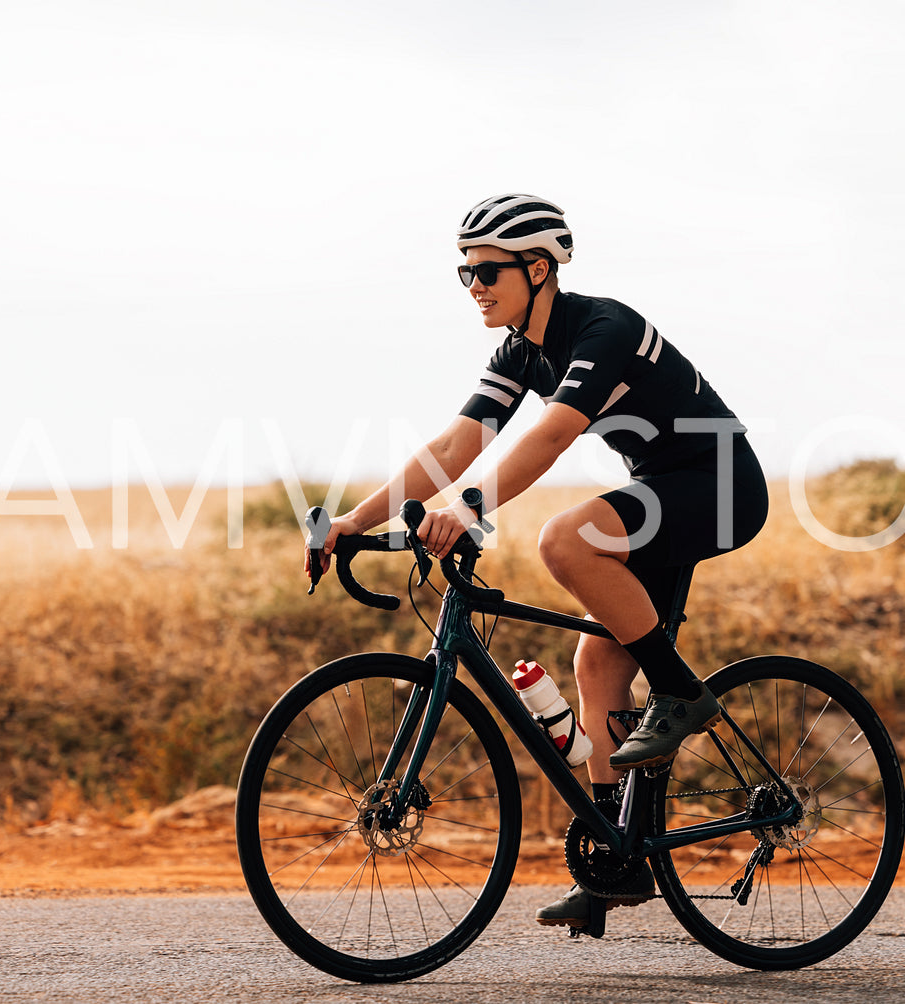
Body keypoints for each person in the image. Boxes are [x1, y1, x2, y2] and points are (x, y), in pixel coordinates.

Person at [309, 194, 769, 926]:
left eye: (488, 270)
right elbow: (457, 446)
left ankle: (681, 694)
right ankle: (619, 862)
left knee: (564, 538)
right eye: (465, 274)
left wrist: (469, 507)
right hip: (662, 488)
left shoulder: (604, 327)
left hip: (719, 485)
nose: (475, 287)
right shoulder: (521, 350)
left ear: (538, 267)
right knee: (595, 666)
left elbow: (551, 436)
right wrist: (355, 523)